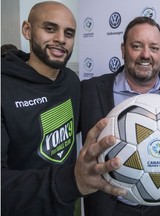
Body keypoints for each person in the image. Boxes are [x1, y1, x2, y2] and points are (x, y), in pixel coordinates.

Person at [1, 2, 125, 216]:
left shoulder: (71, 81)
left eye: (69, 33)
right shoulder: (5, 88)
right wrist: (71, 180)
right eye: (50, 29)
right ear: (27, 30)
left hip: (65, 207)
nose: (61, 39)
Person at [80, 16, 160, 216]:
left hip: (156, 205)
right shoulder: (90, 89)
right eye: (137, 46)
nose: (146, 55)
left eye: (154, 48)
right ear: (123, 50)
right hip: (107, 205)